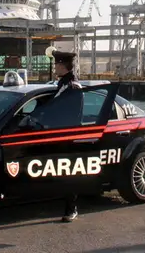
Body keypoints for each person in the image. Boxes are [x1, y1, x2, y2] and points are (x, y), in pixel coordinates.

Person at [51, 50, 82, 222]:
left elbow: (73, 114)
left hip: (68, 136)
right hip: (58, 135)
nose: (55, 66)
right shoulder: (62, 84)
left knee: (69, 174)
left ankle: (72, 208)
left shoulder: (72, 86)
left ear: (62, 65)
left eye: (56, 64)